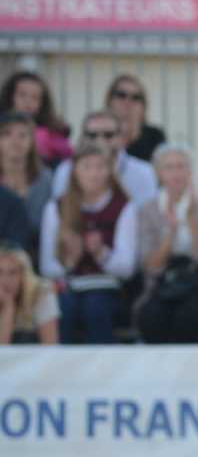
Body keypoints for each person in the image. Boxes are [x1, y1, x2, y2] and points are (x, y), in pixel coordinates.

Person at [133, 143, 198, 344]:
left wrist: (191, 220)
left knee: (190, 318)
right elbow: (151, 267)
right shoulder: (148, 209)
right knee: (151, 317)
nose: (176, 173)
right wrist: (171, 234)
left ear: (190, 171)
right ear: (158, 173)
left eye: (181, 166)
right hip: (165, 284)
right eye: (169, 167)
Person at [38, 144, 139, 344]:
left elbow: (127, 268)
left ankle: (102, 370)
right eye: (86, 166)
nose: (94, 173)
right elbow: (46, 267)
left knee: (96, 308)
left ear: (110, 170)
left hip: (107, 288)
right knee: (63, 309)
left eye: (100, 166)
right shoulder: (56, 207)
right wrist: (69, 261)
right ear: (75, 170)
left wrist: (101, 253)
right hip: (69, 287)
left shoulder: (124, 207)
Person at [50, 110, 158, 207]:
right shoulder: (65, 170)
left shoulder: (144, 172)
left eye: (108, 135)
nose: (100, 141)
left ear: (121, 138)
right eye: (92, 135)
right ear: (82, 138)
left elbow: (148, 218)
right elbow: (59, 213)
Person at [0, 111, 53, 249]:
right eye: (6, 134)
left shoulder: (46, 179)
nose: (15, 141)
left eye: (23, 135)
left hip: (39, 253)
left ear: (32, 141)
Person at [1, 70, 72, 167]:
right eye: (22, 95)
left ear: (42, 103)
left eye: (35, 97)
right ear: (10, 96)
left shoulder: (53, 133)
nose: (28, 101)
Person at [0, 243, 60, 345]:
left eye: (13, 272)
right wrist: (8, 307)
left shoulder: (41, 292)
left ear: (24, 276)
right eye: (0, 273)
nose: (5, 280)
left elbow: (50, 346)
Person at [105, 74, 166, 163]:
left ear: (143, 106)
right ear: (109, 100)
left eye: (136, 97)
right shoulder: (98, 133)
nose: (128, 102)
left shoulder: (154, 136)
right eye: (121, 95)